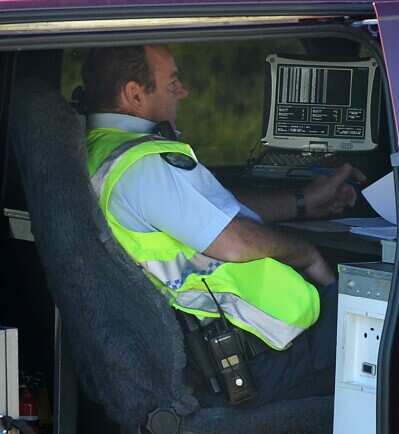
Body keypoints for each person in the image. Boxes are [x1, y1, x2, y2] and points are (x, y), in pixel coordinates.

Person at [81, 44, 366, 404]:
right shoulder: (144, 165)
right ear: (134, 94)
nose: (182, 91)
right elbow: (234, 242)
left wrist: (303, 202)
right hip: (263, 356)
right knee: (385, 316)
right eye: (172, 82)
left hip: (220, 355)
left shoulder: (102, 154)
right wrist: (308, 255)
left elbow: (210, 209)